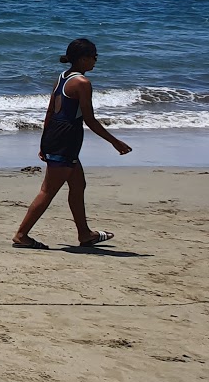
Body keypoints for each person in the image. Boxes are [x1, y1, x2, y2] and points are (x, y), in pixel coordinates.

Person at [12, 38, 132, 249]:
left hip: (57, 137)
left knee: (78, 185)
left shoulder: (63, 77)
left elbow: (50, 111)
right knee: (48, 191)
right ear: (83, 59)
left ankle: (85, 234)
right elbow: (90, 120)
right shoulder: (82, 84)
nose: (96, 60)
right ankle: (22, 235)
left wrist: (44, 141)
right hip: (66, 140)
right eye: (94, 56)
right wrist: (115, 142)